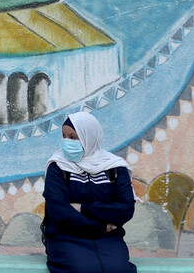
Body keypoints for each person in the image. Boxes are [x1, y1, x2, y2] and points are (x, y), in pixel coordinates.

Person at [42, 111, 136, 273]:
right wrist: (101, 226)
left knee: (118, 269)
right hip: (66, 237)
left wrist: (83, 208)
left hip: (108, 238)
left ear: (89, 136)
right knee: (81, 269)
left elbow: (125, 209)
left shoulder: (114, 167)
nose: (67, 142)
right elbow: (60, 212)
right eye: (64, 136)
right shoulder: (57, 167)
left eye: (73, 137)